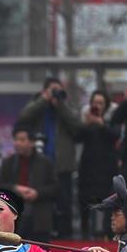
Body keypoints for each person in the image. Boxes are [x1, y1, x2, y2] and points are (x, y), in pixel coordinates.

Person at [0, 127, 58, 252]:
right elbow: (0, 185)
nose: (18, 144)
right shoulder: (9, 163)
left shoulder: (45, 162)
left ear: (31, 142)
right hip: (16, 217)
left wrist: (37, 193)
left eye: (22, 140)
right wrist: (16, 189)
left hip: (39, 216)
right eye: (16, 140)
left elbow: (55, 188)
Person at [16, 77, 82, 237]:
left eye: (58, 90)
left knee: (64, 205)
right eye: (52, 90)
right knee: (41, 206)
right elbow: (23, 118)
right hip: (39, 166)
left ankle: (66, 239)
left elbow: (78, 127)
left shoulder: (66, 107)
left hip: (62, 166)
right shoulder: (37, 105)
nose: (55, 94)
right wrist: (43, 100)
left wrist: (60, 105)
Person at [76, 90, 120, 238]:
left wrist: (102, 124)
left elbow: (115, 135)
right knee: (84, 201)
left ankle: (106, 233)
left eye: (100, 103)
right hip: (87, 168)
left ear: (106, 105)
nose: (97, 106)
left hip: (106, 168)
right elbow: (76, 137)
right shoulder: (87, 119)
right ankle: (84, 232)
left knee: (107, 201)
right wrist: (87, 124)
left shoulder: (112, 118)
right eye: (94, 103)